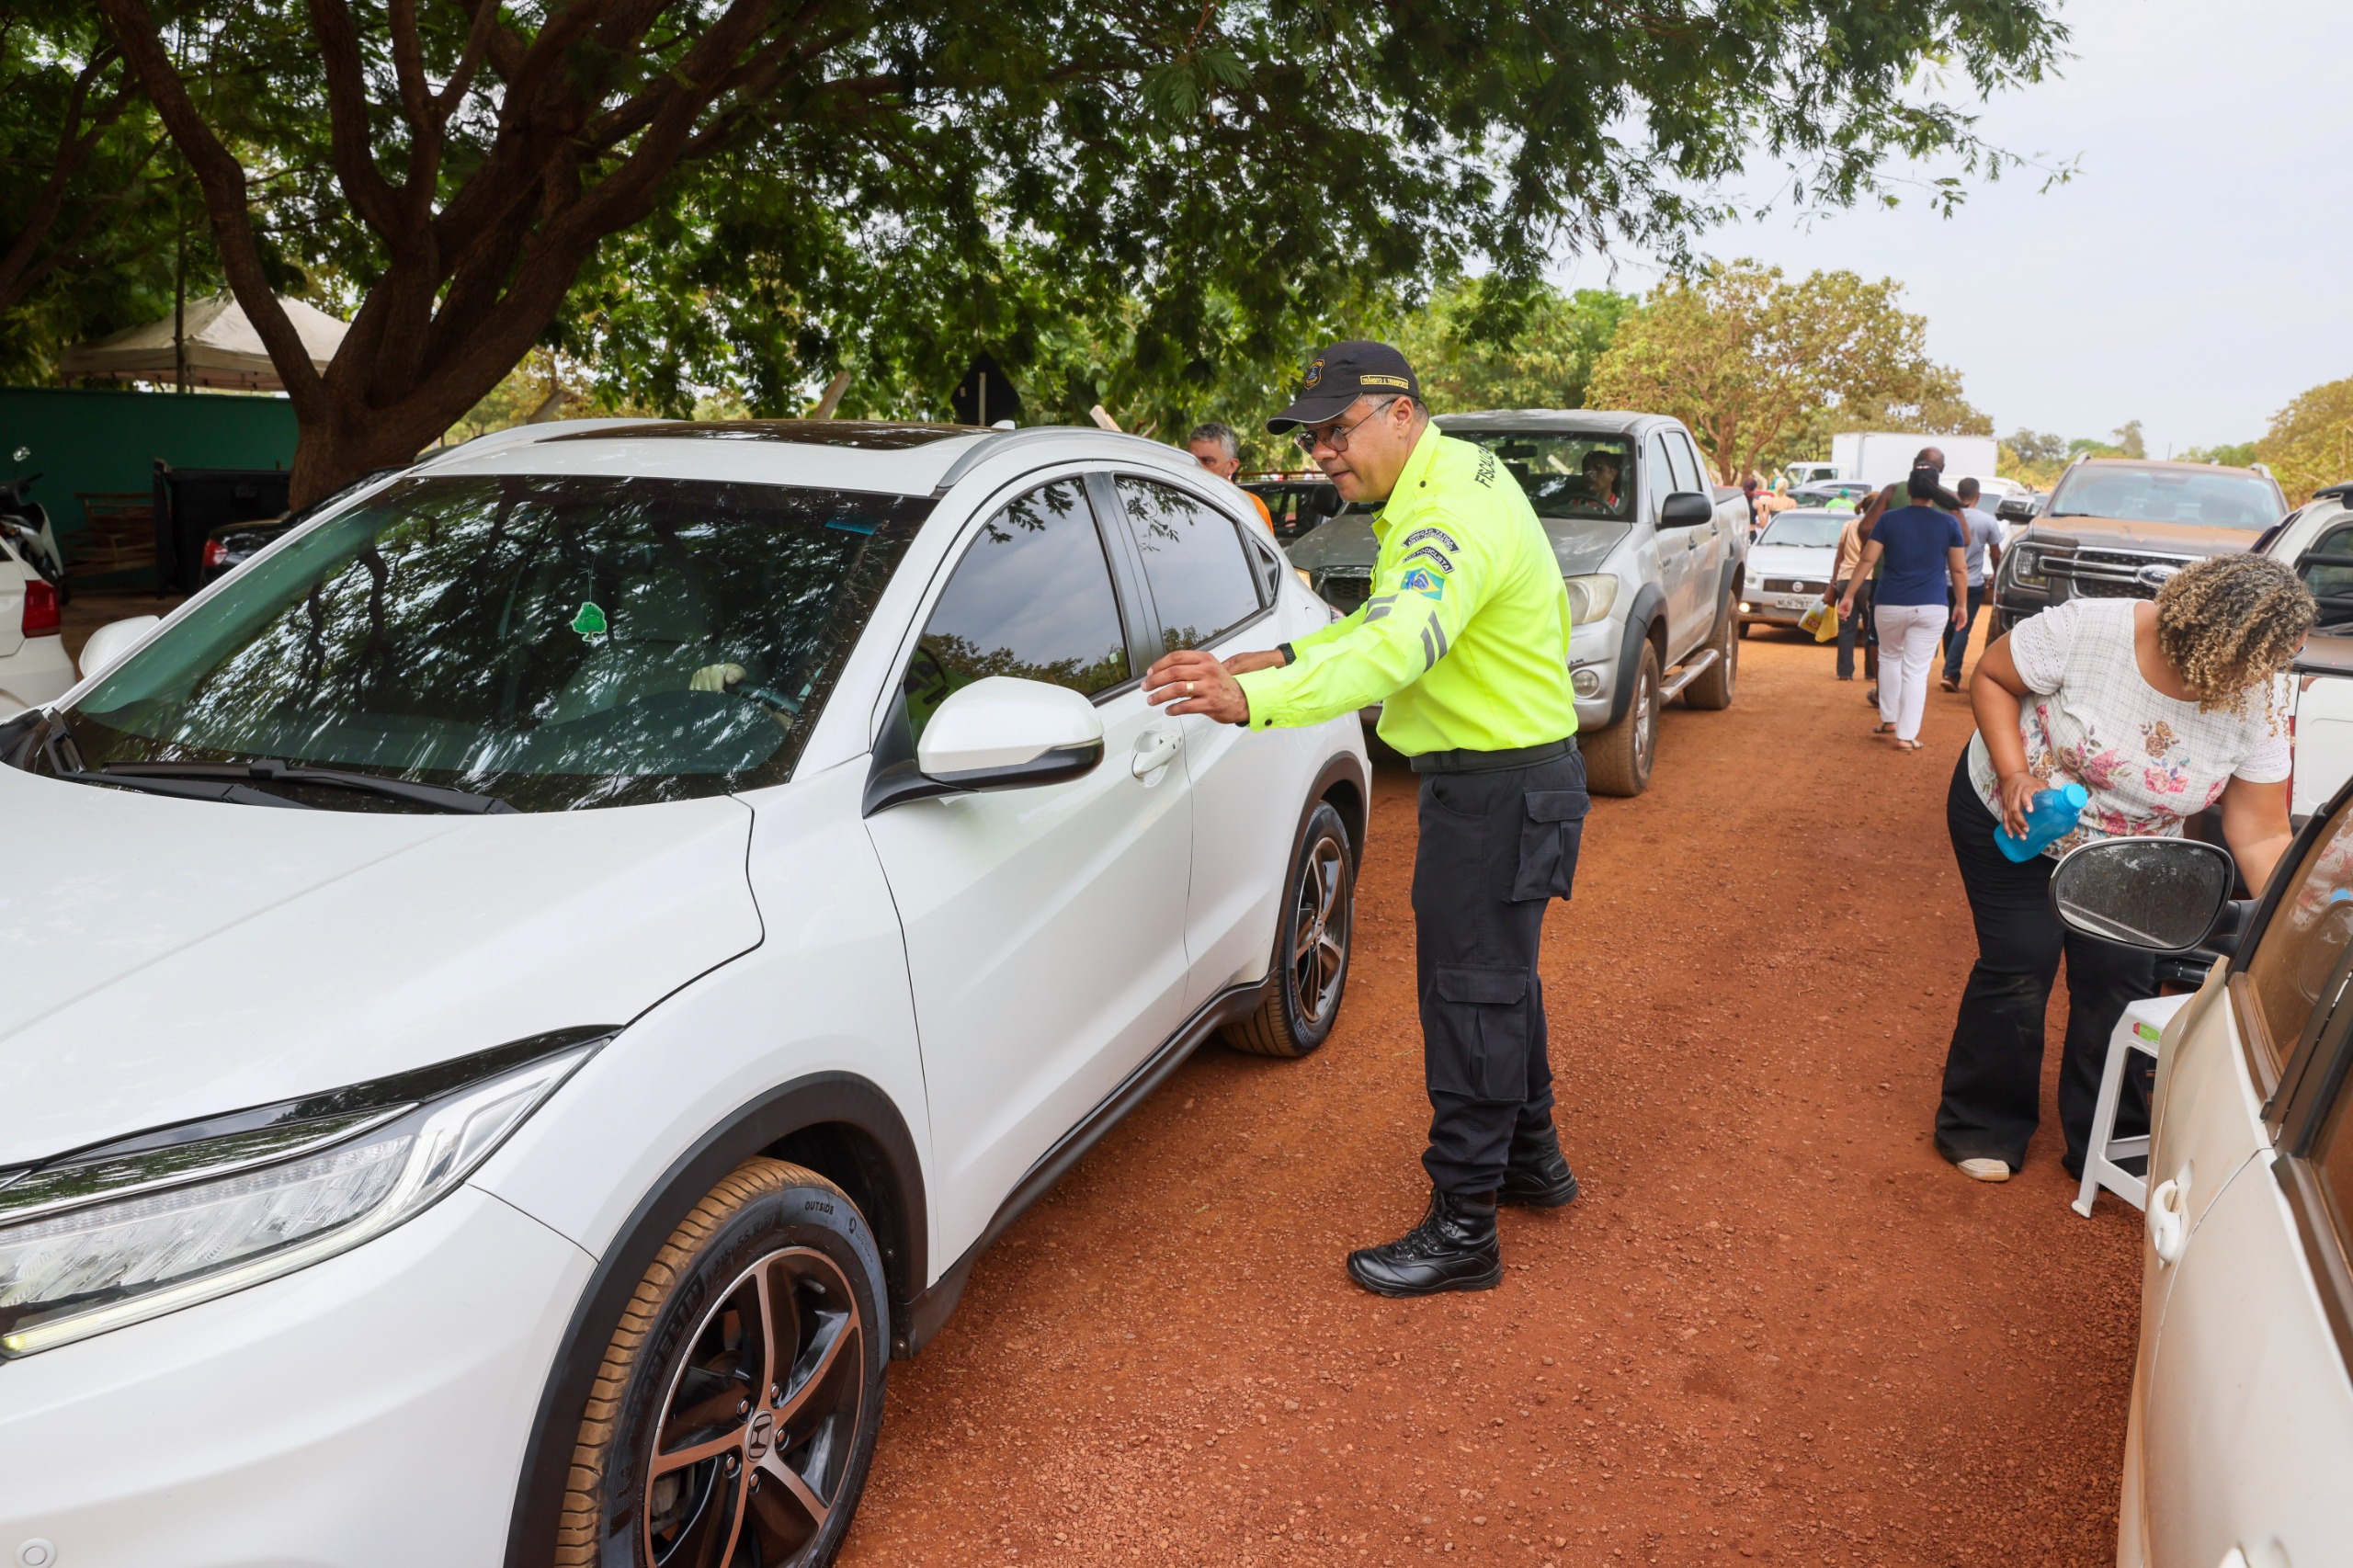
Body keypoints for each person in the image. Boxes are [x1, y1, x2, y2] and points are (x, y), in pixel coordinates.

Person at [1143, 340, 1585, 1298]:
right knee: (1498, 982)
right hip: (1512, 777)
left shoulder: (1445, 513)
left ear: (1400, 412)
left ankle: (1465, 1224)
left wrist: (1251, 700)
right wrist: (1284, 659)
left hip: (1497, 785)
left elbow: (1399, 644)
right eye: (1312, 437)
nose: (1323, 454)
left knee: (1469, 995)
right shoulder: (1442, 481)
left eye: (1337, 429)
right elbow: (1386, 618)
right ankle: (1530, 1160)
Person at [1936, 554, 2311, 1182]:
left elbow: (2261, 828)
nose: (2271, 673)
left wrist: (2294, 923)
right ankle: (1982, 1123)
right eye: (2262, 658)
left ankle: (2108, 1143)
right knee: (2021, 964)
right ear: (2211, 641)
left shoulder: (2261, 697)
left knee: (2117, 979)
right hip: (2018, 819)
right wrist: (2012, 774)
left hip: (2133, 852)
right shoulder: (2088, 629)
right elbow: (1993, 677)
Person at [1839, 466, 1966, 751]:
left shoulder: (1889, 520)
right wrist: (1962, 603)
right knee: (1916, 671)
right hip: (1932, 605)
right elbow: (1958, 569)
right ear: (1935, 492)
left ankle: (1889, 720)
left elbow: (1867, 560)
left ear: (1907, 490)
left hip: (1890, 603)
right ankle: (1906, 736)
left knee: (1889, 658)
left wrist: (1848, 594)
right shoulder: (1948, 523)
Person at [1940, 478, 2004, 691]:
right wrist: (1996, 573)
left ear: (1958, 495)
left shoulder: (1947, 518)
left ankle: (1950, 670)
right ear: (1978, 496)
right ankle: (1951, 672)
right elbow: (1996, 553)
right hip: (1972, 582)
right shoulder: (1987, 521)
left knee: (1949, 625)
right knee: (1962, 627)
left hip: (1944, 581)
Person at [1187, 421, 1277, 535]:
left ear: (1232, 466)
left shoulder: (1252, 507)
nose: (1197, 468)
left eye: (1207, 461)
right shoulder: (1173, 495)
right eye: (1191, 459)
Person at [1825, 506, 1878, 682]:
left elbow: (1839, 556)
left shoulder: (1848, 525)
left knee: (1847, 629)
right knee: (1872, 628)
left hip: (1845, 579)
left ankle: (1844, 672)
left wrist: (1834, 581)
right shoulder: (1879, 525)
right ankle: (1871, 672)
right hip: (1868, 580)